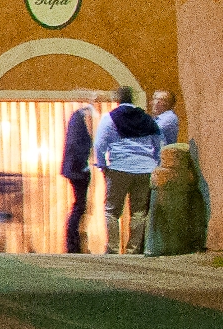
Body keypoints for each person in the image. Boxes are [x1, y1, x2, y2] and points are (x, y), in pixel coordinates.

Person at [94, 86, 166, 254]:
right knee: (139, 211)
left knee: (111, 210)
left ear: (118, 99)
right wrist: (153, 163)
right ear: (133, 99)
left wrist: (102, 164)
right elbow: (159, 143)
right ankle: (133, 250)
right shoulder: (147, 119)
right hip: (144, 170)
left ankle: (112, 249)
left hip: (119, 168)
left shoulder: (110, 118)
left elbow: (99, 144)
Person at [60, 103, 95, 254]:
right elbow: (77, 146)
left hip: (75, 169)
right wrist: (83, 165)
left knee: (80, 205)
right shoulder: (79, 121)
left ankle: (74, 241)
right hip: (78, 170)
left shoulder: (77, 121)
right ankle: (72, 243)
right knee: (80, 205)